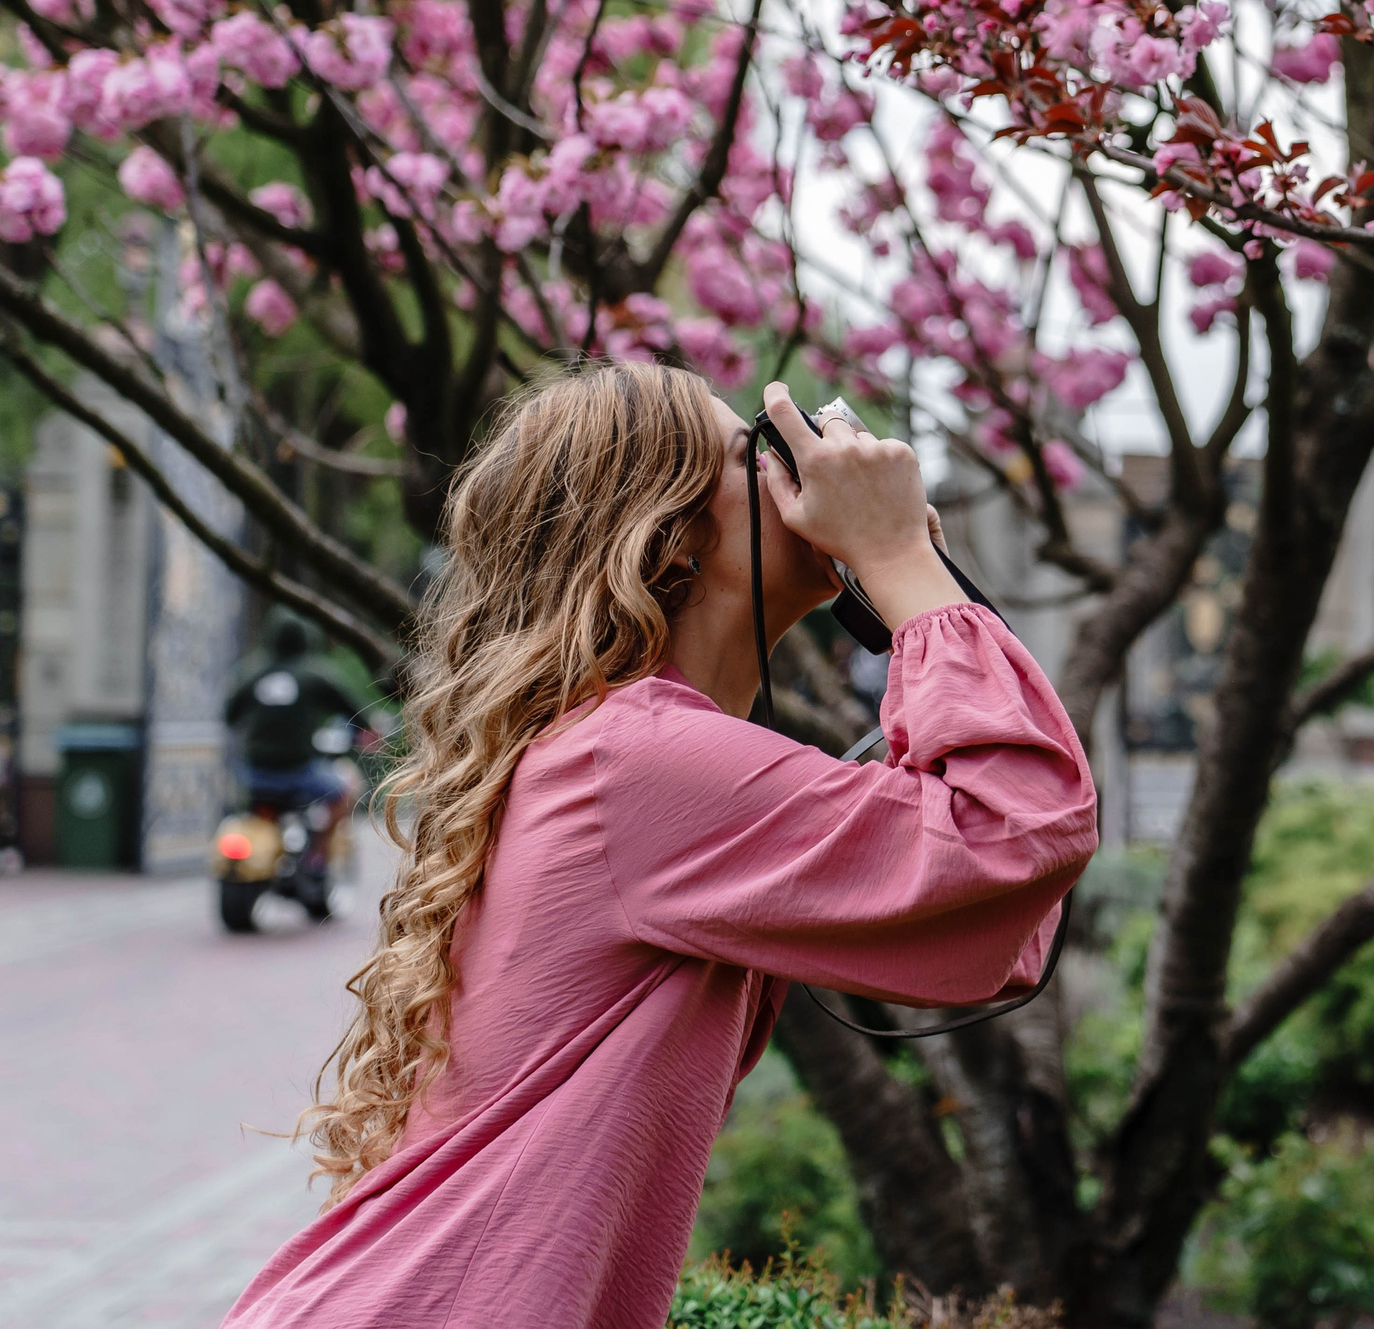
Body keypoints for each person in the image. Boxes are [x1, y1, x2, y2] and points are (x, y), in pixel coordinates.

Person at [222, 365, 1096, 1329]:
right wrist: (902, 570)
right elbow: (1015, 831)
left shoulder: (633, 758)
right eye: (755, 452)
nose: (803, 468)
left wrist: (918, 586)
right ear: (668, 535)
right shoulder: (634, 765)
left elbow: (997, 919)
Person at [223, 613, 366, 828]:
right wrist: (368, 728)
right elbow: (354, 710)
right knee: (346, 791)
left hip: (254, 774)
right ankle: (318, 855)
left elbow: (230, 715)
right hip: (300, 772)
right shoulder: (315, 673)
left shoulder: (250, 672)